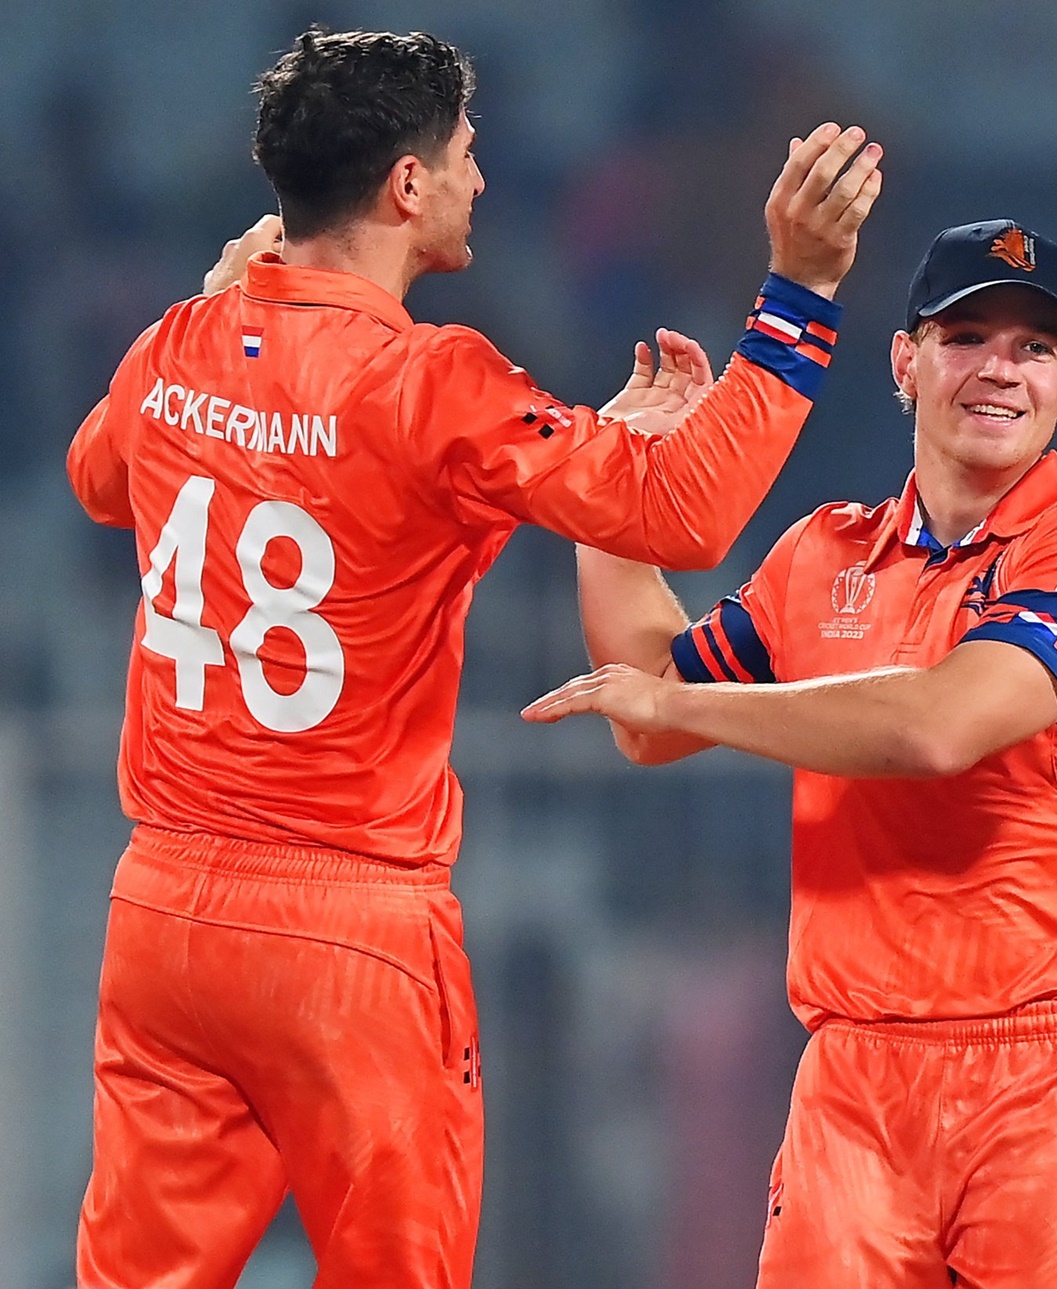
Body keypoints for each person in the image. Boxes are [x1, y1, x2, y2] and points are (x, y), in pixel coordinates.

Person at [64, 23, 883, 1289]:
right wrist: (801, 297)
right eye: (465, 153)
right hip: (348, 924)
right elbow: (687, 515)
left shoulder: (179, 339)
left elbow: (98, 475)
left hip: (163, 910)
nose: (481, 180)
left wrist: (226, 295)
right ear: (405, 186)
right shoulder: (432, 381)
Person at [524, 218, 1057, 1287]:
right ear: (904, 357)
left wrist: (687, 703)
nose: (1000, 369)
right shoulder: (820, 554)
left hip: (1056, 1065)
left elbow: (938, 724)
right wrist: (614, 497)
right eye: (968, 335)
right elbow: (647, 718)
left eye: (1033, 346)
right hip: (854, 1076)